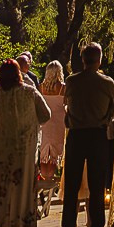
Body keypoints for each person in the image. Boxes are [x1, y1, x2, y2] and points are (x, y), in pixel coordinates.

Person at [0, 60, 48, 227]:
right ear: (19, 75)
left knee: (1, 189)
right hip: (24, 150)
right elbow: (46, 114)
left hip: (0, 151)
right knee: (23, 190)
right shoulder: (30, 93)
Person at [58, 43, 114, 227]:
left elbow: (66, 105)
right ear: (99, 59)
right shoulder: (107, 83)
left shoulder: (72, 81)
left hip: (76, 134)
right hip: (97, 135)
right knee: (97, 184)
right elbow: (113, 112)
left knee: (72, 185)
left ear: (83, 59)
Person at [36, 59, 69, 200]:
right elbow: (67, 106)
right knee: (53, 158)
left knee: (43, 156)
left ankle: (44, 185)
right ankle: (49, 186)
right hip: (58, 125)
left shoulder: (40, 87)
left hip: (44, 124)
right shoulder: (63, 88)